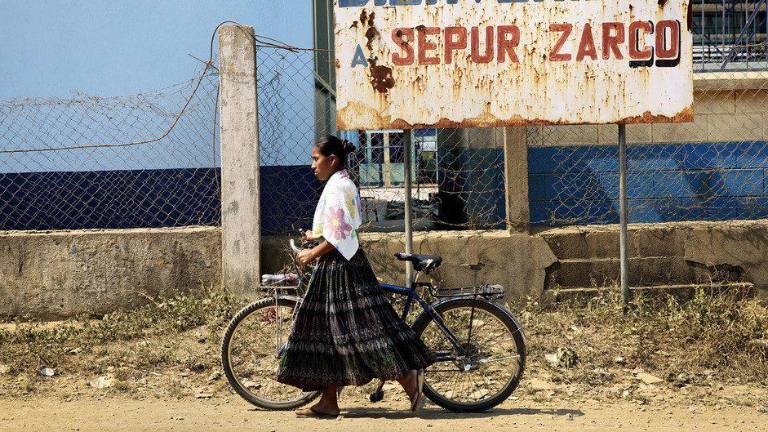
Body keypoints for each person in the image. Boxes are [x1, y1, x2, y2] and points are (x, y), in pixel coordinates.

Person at [276, 135, 435, 418]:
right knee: (328, 332)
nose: (312, 165)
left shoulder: (339, 187)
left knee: (364, 331)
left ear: (332, 160)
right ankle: (328, 401)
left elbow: (340, 235)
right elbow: (340, 227)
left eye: (316, 159)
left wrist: (312, 253)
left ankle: (408, 378)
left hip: (342, 268)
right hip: (340, 264)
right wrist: (315, 235)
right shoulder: (341, 183)